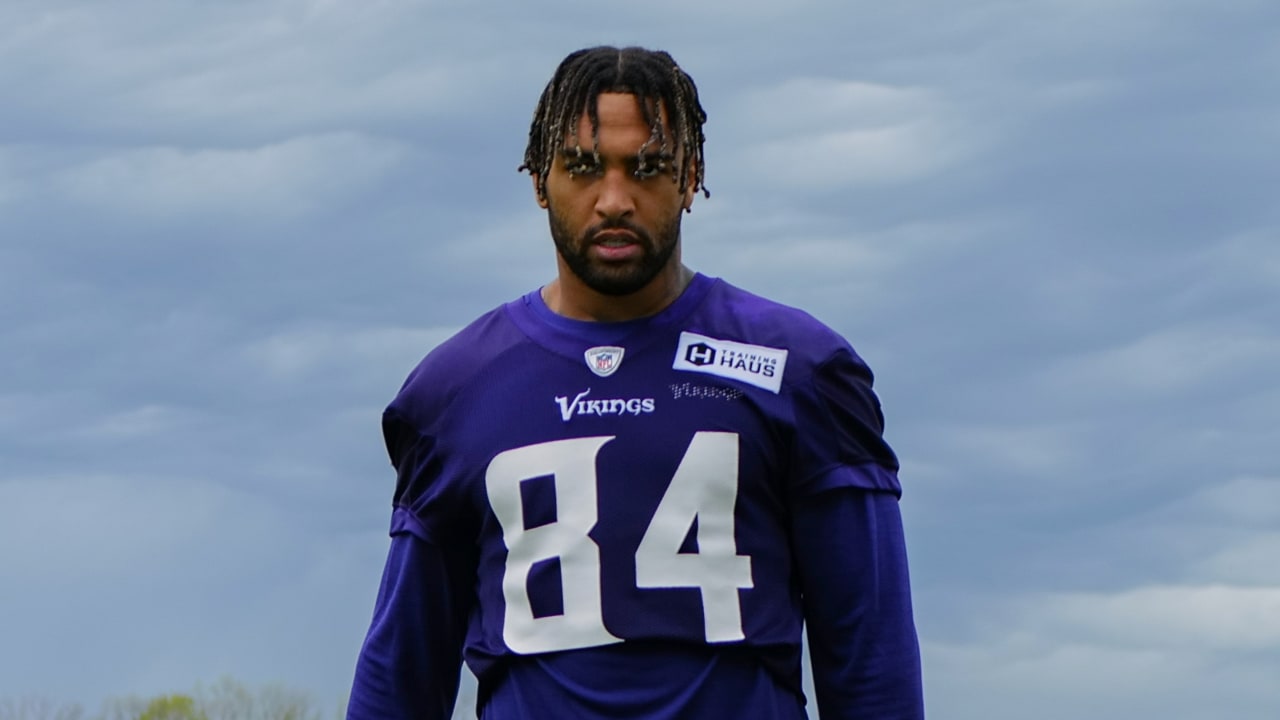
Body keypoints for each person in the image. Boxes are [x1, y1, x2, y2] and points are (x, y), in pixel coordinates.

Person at [347, 46, 924, 720]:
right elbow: (401, 679)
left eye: (647, 167)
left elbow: (872, 665)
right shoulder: (456, 391)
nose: (614, 200)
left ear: (691, 177)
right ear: (540, 180)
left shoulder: (797, 370)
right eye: (584, 167)